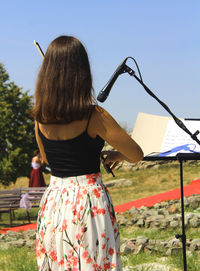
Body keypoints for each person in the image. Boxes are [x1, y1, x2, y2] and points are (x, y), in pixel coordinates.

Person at [32, 35, 144, 271]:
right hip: (87, 204)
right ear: (81, 72)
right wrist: (118, 155)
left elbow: (48, 160)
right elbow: (135, 153)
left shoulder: (40, 118)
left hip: (55, 202)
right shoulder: (94, 115)